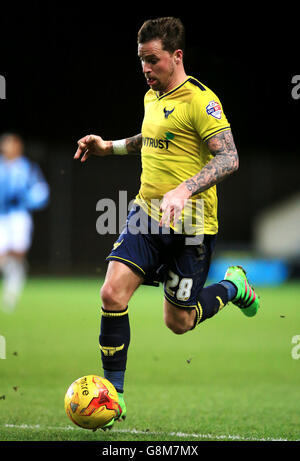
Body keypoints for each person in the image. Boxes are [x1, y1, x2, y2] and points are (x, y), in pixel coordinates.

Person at [74, 17, 260, 429]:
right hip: (146, 213)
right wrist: (110, 147)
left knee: (179, 322)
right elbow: (152, 139)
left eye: (152, 60)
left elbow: (229, 157)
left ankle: (234, 286)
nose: (145, 69)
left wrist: (185, 189)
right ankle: (114, 396)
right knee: (112, 293)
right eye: (141, 61)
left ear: (176, 56)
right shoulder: (151, 97)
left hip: (192, 224)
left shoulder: (201, 101)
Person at [0, 133, 49, 312]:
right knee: (3, 256)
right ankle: (15, 276)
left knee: (18, 253)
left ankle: (11, 292)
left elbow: (42, 191)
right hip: (1, 216)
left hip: (19, 216)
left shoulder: (27, 168)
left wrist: (29, 199)